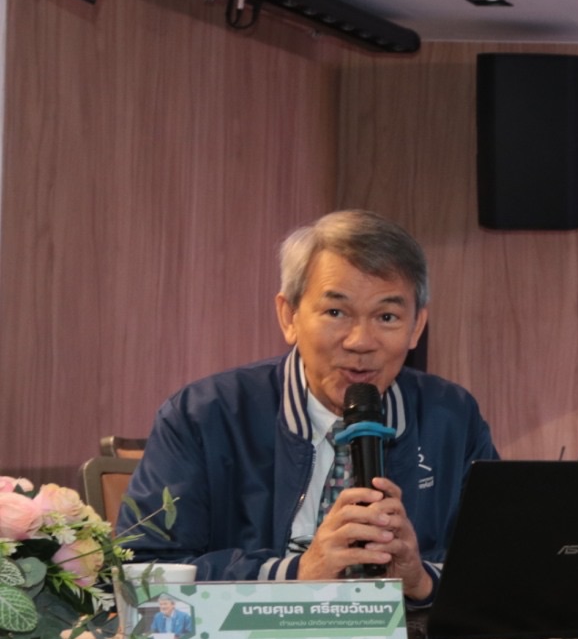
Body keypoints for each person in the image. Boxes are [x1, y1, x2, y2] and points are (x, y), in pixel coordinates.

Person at [120, 211, 497, 609]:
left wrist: (420, 579)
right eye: (336, 312)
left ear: (416, 327)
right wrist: (296, 573)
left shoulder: (452, 418)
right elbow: (142, 575)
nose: (360, 341)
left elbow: (501, 569)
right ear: (290, 316)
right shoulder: (204, 416)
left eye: (387, 317)